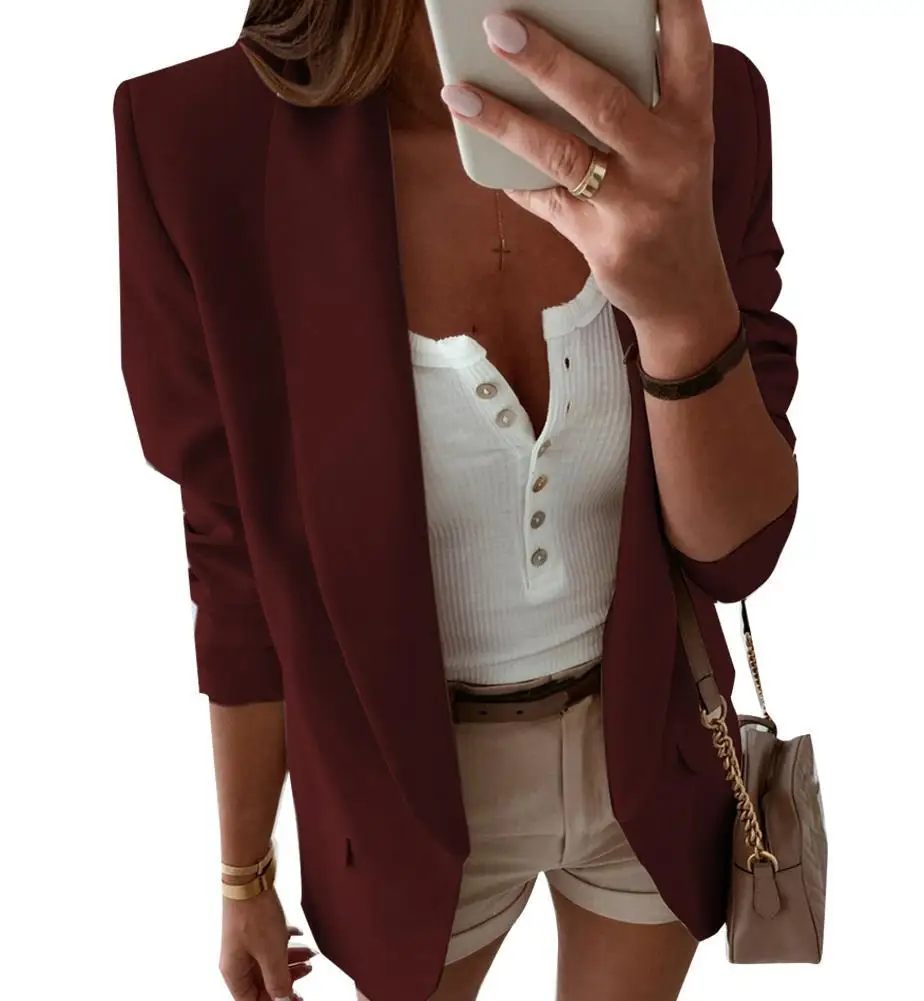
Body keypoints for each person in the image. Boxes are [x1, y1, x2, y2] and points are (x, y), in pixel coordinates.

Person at [112, 0, 799, 998]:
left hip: (649, 765)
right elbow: (234, 557)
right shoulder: (199, 143)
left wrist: (681, 308)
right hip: (408, 805)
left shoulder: (698, 106)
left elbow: (734, 552)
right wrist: (243, 872)